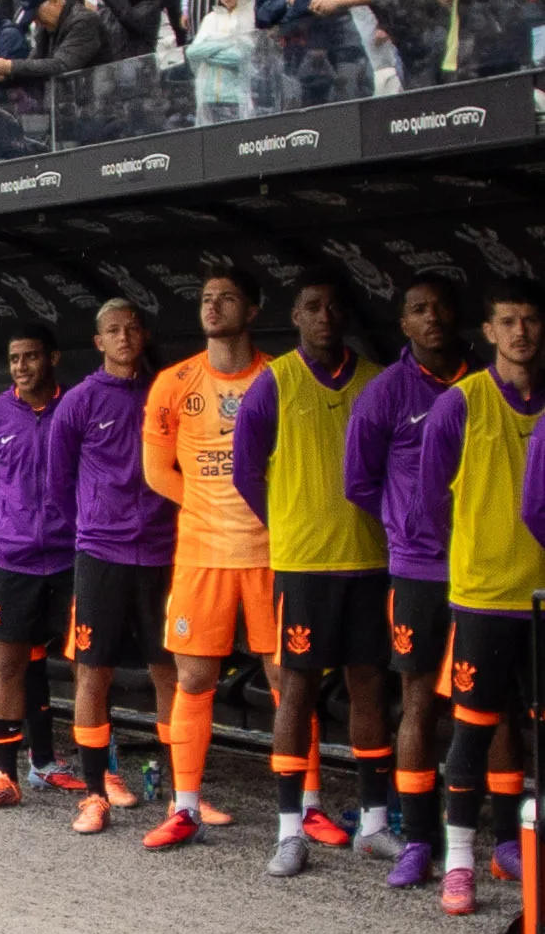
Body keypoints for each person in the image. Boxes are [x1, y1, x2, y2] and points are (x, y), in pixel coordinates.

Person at [230, 274, 396, 876]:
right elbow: (246, 473)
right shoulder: (273, 383)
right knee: (295, 689)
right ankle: (289, 829)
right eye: (313, 307)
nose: (325, 316)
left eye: (334, 306)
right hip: (302, 565)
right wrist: (291, 524)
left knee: (369, 686)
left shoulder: (377, 381)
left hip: (369, 560)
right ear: (294, 316)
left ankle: (375, 824)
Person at [343, 280, 473, 887]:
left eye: (442, 307)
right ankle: (420, 839)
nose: (434, 318)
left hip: (489, 573)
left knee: (487, 708)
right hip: (419, 569)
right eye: (420, 309)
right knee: (418, 702)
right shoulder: (386, 392)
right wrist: (407, 524)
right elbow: (360, 482)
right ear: (402, 323)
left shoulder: (489, 385)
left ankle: (499, 843)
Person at [422, 283, 545, 914]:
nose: (521, 331)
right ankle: (461, 860)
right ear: (490, 332)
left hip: (543, 601)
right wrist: (477, 550)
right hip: (482, 598)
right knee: (472, 731)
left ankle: (519, 847)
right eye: (508, 321)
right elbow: (431, 499)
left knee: (538, 732)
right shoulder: (461, 403)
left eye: (530, 320)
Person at [142, 271, 273, 850]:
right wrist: (212, 504)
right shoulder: (173, 382)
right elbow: (156, 470)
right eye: (204, 298)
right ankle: (185, 805)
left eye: (226, 296)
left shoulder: (277, 377)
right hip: (200, 553)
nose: (213, 306)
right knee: (194, 678)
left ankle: (309, 807)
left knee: (285, 678)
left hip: (272, 551)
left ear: (253, 307)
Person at [46, 299, 179, 834]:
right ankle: (95, 794)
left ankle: (182, 796)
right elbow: (58, 483)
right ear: (98, 342)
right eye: (112, 331)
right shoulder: (78, 401)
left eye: (132, 329)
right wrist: (96, 524)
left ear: (143, 335)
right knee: (92, 674)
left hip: (165, 553)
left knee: (171, 673)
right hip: (100, 555)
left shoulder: (166, 392)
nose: (124, 338)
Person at [0, 323, 83, 808]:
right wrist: (8, 512)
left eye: (30, 357)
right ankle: (4, 775)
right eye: (13, 359)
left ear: (51, 357)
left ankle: (79, 768)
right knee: (9, 665)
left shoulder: (73, 409)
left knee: (88, 666)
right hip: (12, 560)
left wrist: (65, 517)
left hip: (72, 555)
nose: (21, 367)